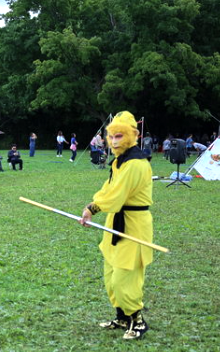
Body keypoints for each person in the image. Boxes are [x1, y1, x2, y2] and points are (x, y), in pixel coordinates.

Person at [79, 111, 153, 340]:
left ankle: (138, 321)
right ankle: (122, 317)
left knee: (125, 277)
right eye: (111, 137)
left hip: (133, 225)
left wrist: (93, 208)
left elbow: (117, 195)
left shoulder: (135, 164)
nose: (113, 142)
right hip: (116, 221)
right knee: (111, 275)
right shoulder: (119, 162)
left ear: (133, 135)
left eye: (119, 136)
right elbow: (108, 187)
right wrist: (93, 204)